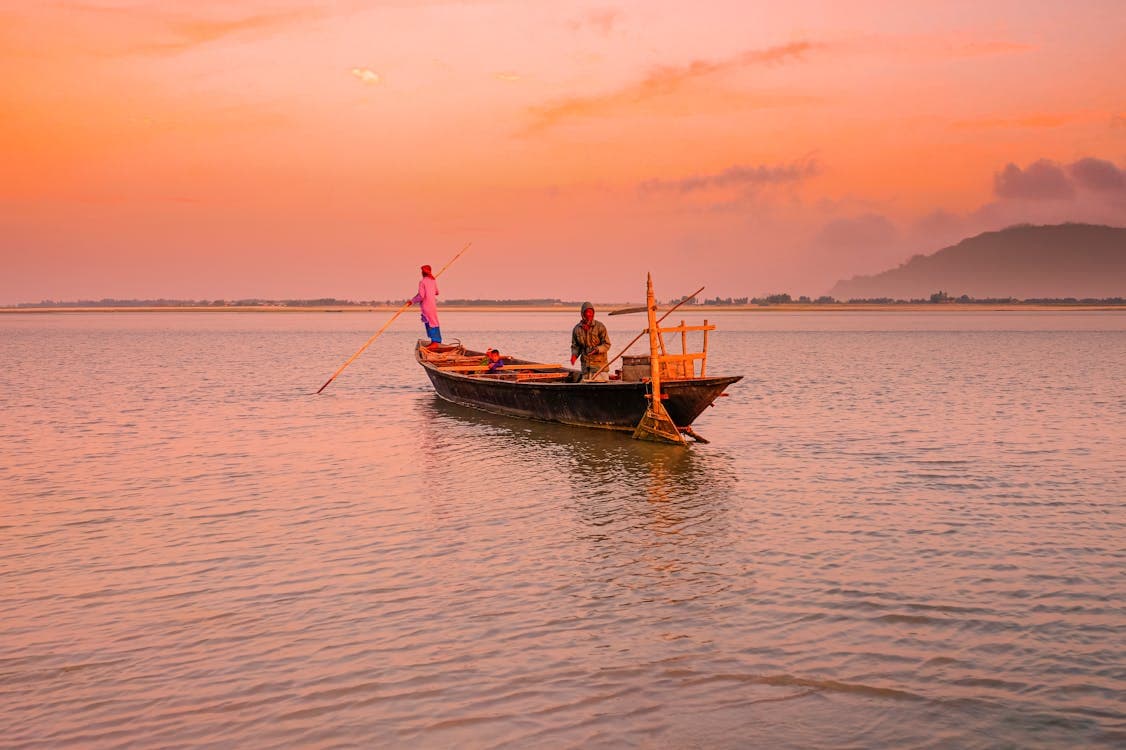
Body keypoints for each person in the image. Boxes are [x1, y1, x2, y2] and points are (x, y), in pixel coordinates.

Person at [570, 302, 610, 381]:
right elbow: (576, 346)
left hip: (599, 368)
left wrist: (597, 349)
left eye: (591, 313)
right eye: (586, 313)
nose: (589, 315)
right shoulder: (577, 329)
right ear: (582, 314)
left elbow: (607, 344)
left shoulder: (600, 327)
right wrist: (574, 355)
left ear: (593, 314)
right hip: (585, 368)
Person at [408, 264, 441, 348]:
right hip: (433, 306)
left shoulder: (422, 282)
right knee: (434, 322)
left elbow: (421, 296)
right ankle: (435, 341)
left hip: (426, 306)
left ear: (423, 273)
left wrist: (412, 301)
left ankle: (435, 342)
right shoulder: (433, 280)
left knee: (430, 323)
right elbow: (437, 292)